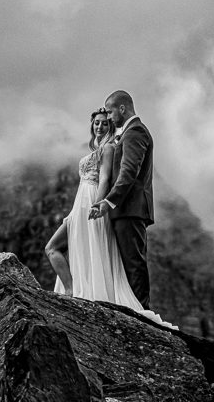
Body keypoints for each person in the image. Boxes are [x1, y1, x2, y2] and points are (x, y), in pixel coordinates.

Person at [45, 104, 173, 328]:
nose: (100, 126)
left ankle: (74, 291)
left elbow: (105, 179)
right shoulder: (101, 148)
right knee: (56, 248)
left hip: (93, 201)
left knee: (63, 247)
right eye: (97, 123)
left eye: (106, 122)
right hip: (81, 203)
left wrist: (100, 203)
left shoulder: (110, 148)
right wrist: (76, 212)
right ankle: (72, 289)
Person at [90, 90, 154, 309]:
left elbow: (128, 173)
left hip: (130, 209)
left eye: (110, 111)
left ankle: (142, 313)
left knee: (133, 263)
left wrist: (108, 201)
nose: (108, 117)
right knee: (128, 263)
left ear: (122, 108)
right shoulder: (128, 133)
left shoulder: (135, 132)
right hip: (126, 209)